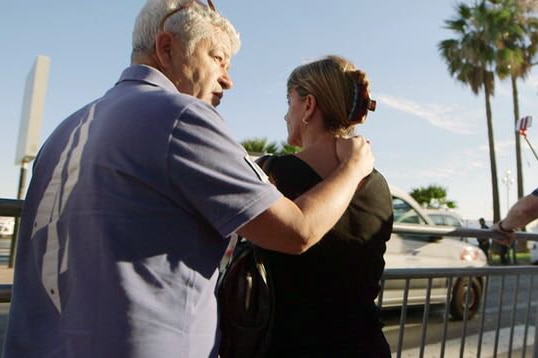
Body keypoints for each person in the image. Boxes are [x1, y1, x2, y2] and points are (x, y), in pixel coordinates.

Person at [2, 2, 375, 358]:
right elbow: (296, 231)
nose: (227, 80)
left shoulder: (65, 129)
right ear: (167, 47)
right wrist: (353, 168)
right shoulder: (180, 115)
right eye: (217, 59)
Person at [256, 55, 392, 357]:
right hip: (366, 345)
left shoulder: (272, 173)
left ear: (308, 105)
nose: (285, 115)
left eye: (289, 101)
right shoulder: (379, 183)